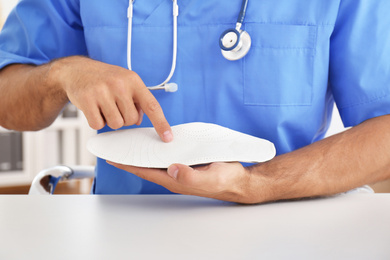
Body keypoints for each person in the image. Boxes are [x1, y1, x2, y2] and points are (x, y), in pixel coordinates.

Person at [0, 0, 389, 204]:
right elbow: (7, 97)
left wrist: (257, 184)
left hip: (287, 229)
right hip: (126, 237)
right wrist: (64, 73)